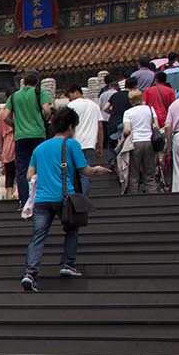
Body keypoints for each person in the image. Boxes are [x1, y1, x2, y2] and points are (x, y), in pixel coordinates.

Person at [20, 108, 111, 291]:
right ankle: (67, 265)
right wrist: (97, 170)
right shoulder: (72, 145)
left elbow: (29, 175)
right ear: (70, 126)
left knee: (38, 236)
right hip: (64, 197)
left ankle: (30, 273)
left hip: (42, 200)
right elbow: (84, 170)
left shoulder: (40, 148)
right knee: (71, 228)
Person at [1, 71, 50, 201]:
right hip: (38, 134)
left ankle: (25, 200)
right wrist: (43, 120)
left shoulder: (14, 96)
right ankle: (40, 197)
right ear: (36, 82)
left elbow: (5, 116)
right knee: (40, 166)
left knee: (22, 170)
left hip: (21, 136)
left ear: (24, 82)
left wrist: (15, 125)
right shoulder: (40, 93)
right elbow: (47, 110)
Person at [118, 89, 158, 195]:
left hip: (135, 142)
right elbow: (156, 126)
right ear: (142, 98)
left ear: (131, 101)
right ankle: (152, 192)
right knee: (149, 171)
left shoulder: (128, 112)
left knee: (134, 172)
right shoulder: (150, 109)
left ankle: (134, 194)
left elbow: (127, 130)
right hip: (149, 141)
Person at [66, 86, 102, 163]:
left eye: (69, 96)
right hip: (90, 143)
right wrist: (100, 147)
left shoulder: (70, 106)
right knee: (86, 169)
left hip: (74, 142)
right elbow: (100, 127)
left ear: (76, 92)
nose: (69, 99)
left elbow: (66, 125)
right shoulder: (94, 106)